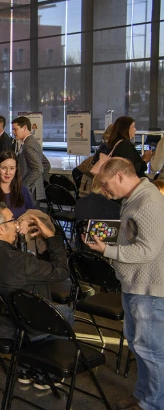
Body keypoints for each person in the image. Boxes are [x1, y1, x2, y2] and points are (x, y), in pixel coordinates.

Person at [87, 157, 164, 410]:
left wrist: (109, 251)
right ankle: (143, 395)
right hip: (135, 284)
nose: (105, 192)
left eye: (107, 185)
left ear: (121, 176)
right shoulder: (133, 198)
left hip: (149, 288)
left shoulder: (148, 201)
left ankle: (152, 403)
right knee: (138, 345)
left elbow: (148, 250)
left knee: (150, 351)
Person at [0, 202, 72, 342]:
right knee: (66, 312)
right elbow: (62, 272)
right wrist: (51, 237)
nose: (17, 224)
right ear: (1, 229)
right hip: (23, 327)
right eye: (13, 220)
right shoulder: (22, 262)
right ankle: (46, 358)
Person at [12, 116, 46, 203]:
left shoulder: (28, 145)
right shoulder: (32, 142)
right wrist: (38, 181)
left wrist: (25, 186)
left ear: (25, 128)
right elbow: (45, 164)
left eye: (15, 129)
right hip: (34, 190)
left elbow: (39, 169)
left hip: (30, 191)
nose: (13, 132)